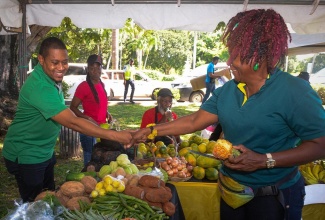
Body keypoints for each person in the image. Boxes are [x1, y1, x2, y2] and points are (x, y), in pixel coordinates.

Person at [132, 9, 325, 220]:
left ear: (261, 54)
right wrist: (151, 130)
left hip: (274, 197)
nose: (230, 61)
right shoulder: (228, 90)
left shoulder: (294, 92)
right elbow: (195, 121)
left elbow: (320, 144)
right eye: (230, 53)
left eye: (237, 54)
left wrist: (264, 160)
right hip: (232, 193)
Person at [2, 37, 132, 203]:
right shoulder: (39, 87)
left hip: (45, 151)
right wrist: (115, 136)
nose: (61, 67)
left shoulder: (51, 79)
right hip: (27, 153)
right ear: (41, 59)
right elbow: (72, 122)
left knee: (50, 198)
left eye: (65, 62)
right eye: (55, 62)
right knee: (34, 204)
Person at [70, 54, 112, 167]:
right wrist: (87, 118)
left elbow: (99, 104)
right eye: (92, 68)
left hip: (101, 128)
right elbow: (73, 107)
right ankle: (88, 181)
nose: (95, 71)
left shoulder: (101, 83)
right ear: (88, 69)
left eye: (98, 67)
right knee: (90, 160)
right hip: (88, 130)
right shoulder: (84, 86)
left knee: (99, 158)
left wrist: (107, 113)